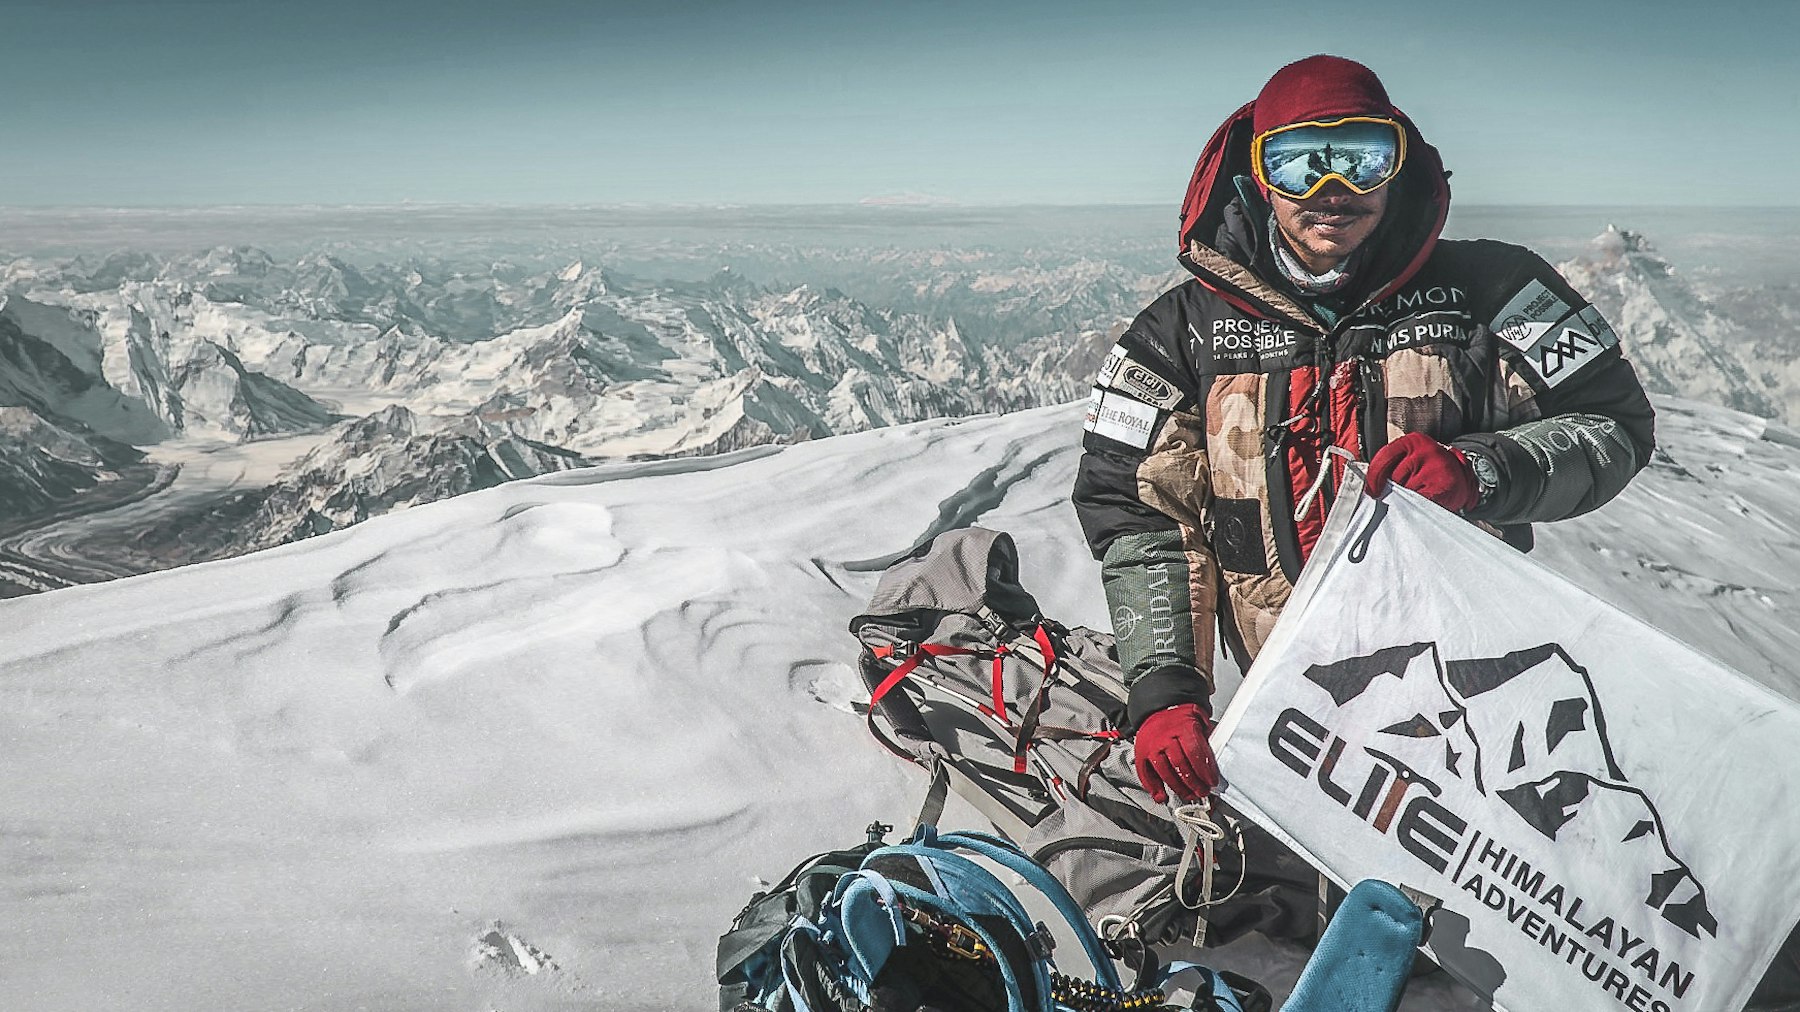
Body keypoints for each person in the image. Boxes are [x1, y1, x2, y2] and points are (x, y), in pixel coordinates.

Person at [1071, 54, 1656, 809]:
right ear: (1257, 174)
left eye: (1361, 157)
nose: (1332, 189)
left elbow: (1615, 423)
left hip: (1470, 691)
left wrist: (1483, 472)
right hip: (1287, 699)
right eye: (1299, 162)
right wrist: (1165, 689)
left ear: (1398, 161)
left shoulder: (1501, 292)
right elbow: (1140, 511)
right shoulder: (1181, 333)